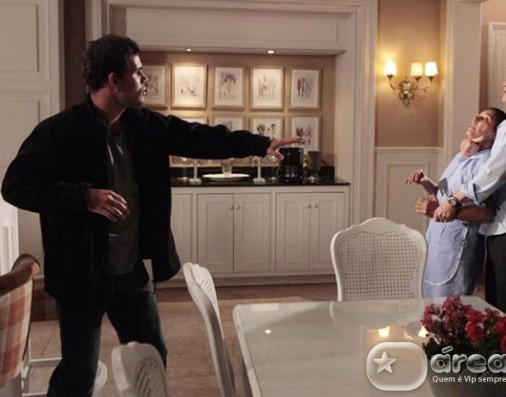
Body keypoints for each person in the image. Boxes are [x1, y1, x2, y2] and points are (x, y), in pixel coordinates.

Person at [1, 34, 301, 397]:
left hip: (131, 273)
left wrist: (260, 144)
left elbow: (201, 137)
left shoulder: (145, 125)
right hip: (81, 276)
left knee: (152, 359)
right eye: (138, 72)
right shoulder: (59, 131)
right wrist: (84, 197)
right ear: (114, 80)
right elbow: (14, 186)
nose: (146, 79)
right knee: (78, 375)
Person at [433, 51, 506, 327]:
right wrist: (470, 146)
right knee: (498, 312)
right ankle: (505, 358)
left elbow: (497, 170)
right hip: (503, 228)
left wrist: (455, 199)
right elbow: (488, 156)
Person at [406, 107, 506, 297]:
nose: (475, 118)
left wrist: (436, 211)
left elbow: (486, 212)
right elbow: (444, 196)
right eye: (478, 115)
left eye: (485, 118)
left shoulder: (486, 165)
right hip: (437, 242)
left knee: (450, 306)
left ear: (496, 133)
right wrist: (425, 182)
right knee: (427, 303)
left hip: (457, 246)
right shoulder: (464, 156)